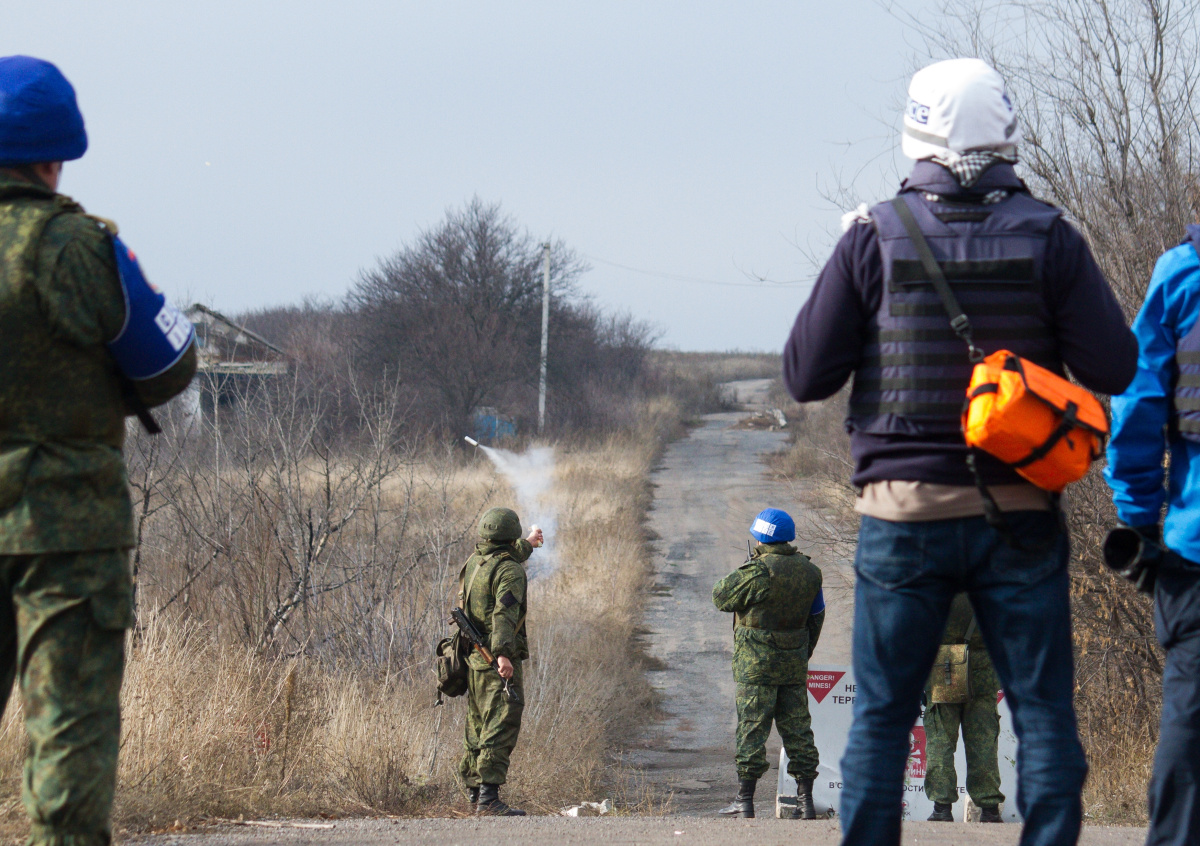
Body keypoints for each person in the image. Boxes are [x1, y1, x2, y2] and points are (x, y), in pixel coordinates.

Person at [781, 57, 1137, 846]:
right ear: (1007, 134)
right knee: (1043, 715)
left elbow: (806, 375)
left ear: (917, 136)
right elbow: (1115, 367)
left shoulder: (874, 236)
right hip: (1020, 516)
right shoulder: (1051, 237)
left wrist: (845, 257)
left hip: (902, 518)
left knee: (881, 719)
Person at [0, 55, 197, 846]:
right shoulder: (82, 249)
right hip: (67, 538)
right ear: (57, 156)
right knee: (67, 749)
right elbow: (168, 365)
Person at [1105, 225, 1200, 846]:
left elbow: (1137, 401)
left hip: (1195, 549)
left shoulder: (1185, 274)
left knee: (1191, 735)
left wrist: (1140, 521)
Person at [712, 508, 825, 820]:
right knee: (798, 730)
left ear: (761, 539)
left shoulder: (757, 572)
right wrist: (801, 653)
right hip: (793, 665)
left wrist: (747, 567)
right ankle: (806, 802)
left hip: (756, 666)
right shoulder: (811, 572)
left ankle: (745, 800)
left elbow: (720, 597)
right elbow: (816, 618)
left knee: (752, 728)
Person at [457, 506, 543, 816]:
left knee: (478, 722)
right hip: (495, 658)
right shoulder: (510, 571)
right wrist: (503, 654)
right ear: (510, 535)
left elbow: (507, 555)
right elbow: (504, 614)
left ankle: (474, 794)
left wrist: (529, 543)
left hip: (475, 657)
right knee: (502, 721)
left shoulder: (476, 561)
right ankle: (489, 799)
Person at [923, 593, 1003, 823]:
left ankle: (942, 808)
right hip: (983, 674)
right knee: (983, 742)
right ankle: (989, 809)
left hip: (944, 670)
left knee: (941, 740)